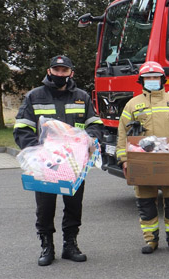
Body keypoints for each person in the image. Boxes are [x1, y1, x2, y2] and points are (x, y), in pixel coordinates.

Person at [14, 55, 104, 266]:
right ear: (49, 71)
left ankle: (70, 245)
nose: (60, 74)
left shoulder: (82, 97)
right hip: (46, 164)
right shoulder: (34, 96)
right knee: (45, 207)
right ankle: (47, 246)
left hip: (73, 163)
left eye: (64, 71)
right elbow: (22, 129)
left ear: (71, 73)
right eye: (57, 70)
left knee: (74, 205)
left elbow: (95, 124)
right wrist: (37, 152)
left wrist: (87, 140)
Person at [116, 61, 169, 254]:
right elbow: (122, 134)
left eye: (155, 77)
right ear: (142, 81)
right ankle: (151, 240)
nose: (152, 81)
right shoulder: (133, 104)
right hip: (142, 161)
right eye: (148, 78)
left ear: (162, 79)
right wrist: (124, 159)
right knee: (145, 201)